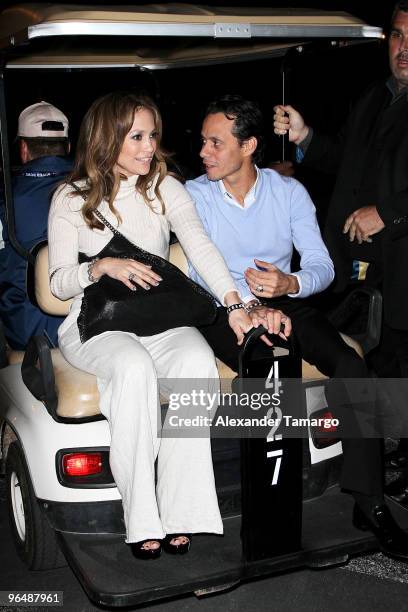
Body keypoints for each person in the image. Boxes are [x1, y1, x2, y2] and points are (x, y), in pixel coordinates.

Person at [48, 90, 286, 560]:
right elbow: (57, 284)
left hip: (157, 319)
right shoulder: (70, 199)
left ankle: (184, 510)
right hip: (96, 325)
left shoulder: (165, 189)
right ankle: (141, 517)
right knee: (133, 367)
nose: (148, 147)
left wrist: (235, 304)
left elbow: (199, 246)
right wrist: (99, 268)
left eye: (152, 135)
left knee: (197, 359)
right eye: (136, 136)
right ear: (106, 138)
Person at [185, 93, 408, 561]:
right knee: (264, 358)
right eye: (203, 142)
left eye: (215, 143)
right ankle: (263, 513)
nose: (203, 152)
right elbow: (199, 273)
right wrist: (248, 304)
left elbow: (324, 266)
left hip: (286, 302)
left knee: (351, 365)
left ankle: (368, 501)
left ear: (248, 146)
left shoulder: (288, 193)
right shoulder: (194, 195)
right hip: (223, 309)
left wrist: (290, 283)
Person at [273, 1, 408, 472]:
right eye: (396, 36)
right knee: (381, 362)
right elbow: (342, 159)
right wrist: (306, 135)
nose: (403, 48)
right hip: (362, 267)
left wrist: (387, 214)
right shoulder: (374, 96)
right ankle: (388, 459)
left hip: (403, 259)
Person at [0, 101, 71, 349]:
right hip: (91, 328)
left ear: (23, 149)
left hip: (28, 337)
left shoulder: (5, 199)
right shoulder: (98, 189)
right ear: (68, 146)